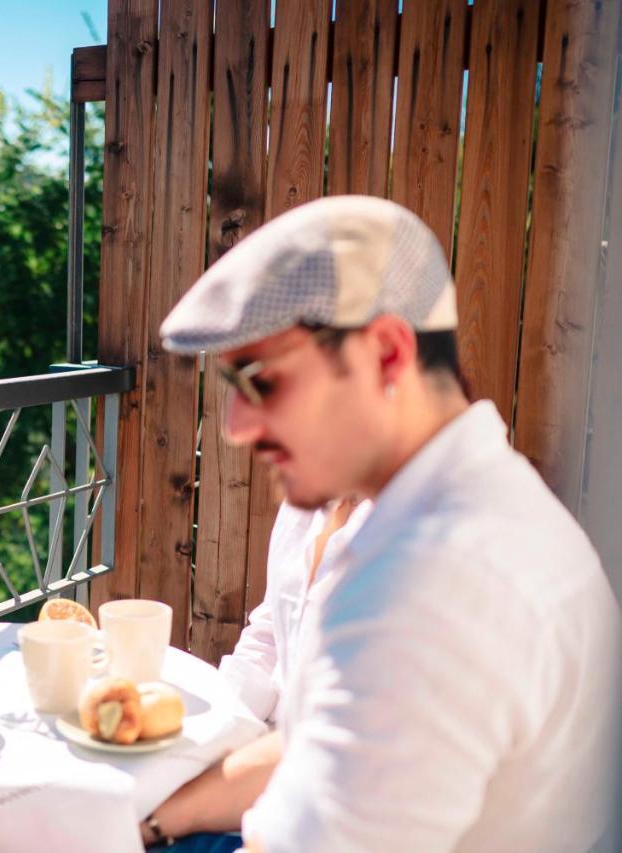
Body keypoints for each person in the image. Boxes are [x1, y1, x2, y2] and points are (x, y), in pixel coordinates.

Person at [146, 196, 621, 852]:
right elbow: (319, 736)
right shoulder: (452, 508)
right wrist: (144, 825)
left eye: (262, 381)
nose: (234, 427)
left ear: (388, 354)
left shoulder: (434, 583)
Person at [140, 497, 371, 851]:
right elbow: (271, 631)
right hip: (264, 768)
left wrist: (157, 822)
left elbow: (347, 740)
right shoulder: (307, 496)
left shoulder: (421, 535)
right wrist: (212, 734)